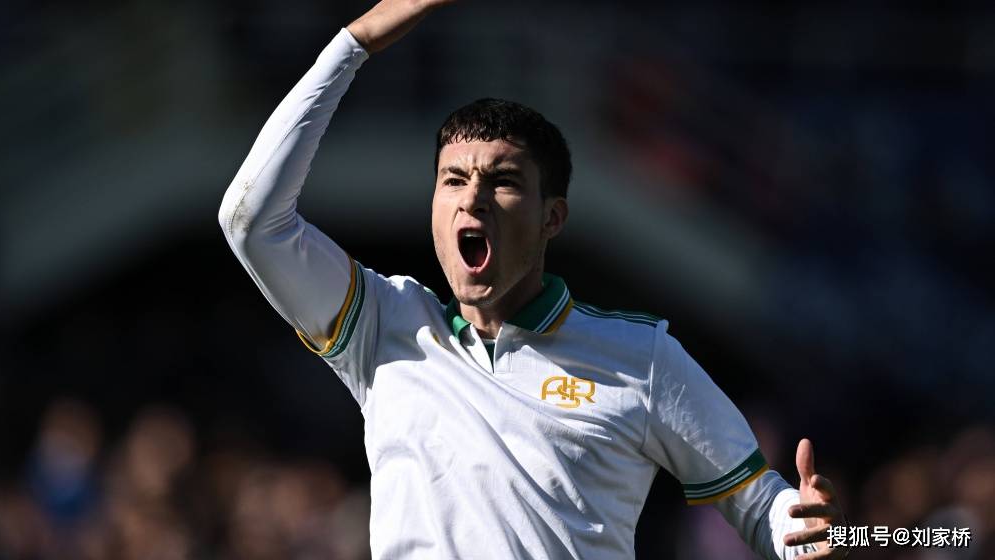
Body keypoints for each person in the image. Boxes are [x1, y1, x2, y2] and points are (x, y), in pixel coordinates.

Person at [218, 1, 849, 558]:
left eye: (503, 182)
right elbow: (251, 222)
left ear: (553, 217)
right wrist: (353, 44)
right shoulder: (383, 327)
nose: (473, 199)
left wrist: (808, 531)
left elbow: (762, 506)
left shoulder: (643, 358)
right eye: (454, 180)